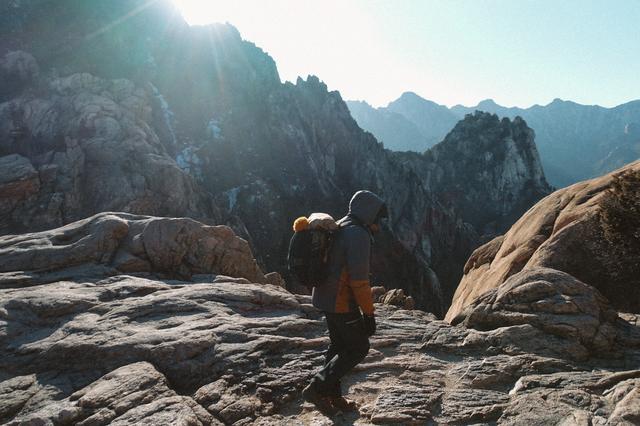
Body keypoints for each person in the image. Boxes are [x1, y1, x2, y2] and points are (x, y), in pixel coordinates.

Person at [302, 190, 388, 414]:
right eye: (378, 217)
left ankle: (333, 396)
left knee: (338, 346)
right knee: (359, 347)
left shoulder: (340, 226)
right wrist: (369, 314)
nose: (379, 224)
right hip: (341, 301)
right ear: (369, 214)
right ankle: (317, 387)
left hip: (324, 297)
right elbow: (359, 281)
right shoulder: (358, 235)